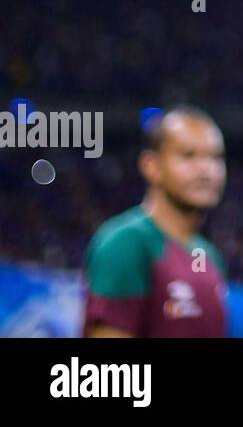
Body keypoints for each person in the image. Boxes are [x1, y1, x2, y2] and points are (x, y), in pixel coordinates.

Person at [83, 105, 228, 337]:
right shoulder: (126, 243)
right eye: (188, 155)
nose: (207, 169)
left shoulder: (210, 257)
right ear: (151, 166)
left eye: (216, 157)